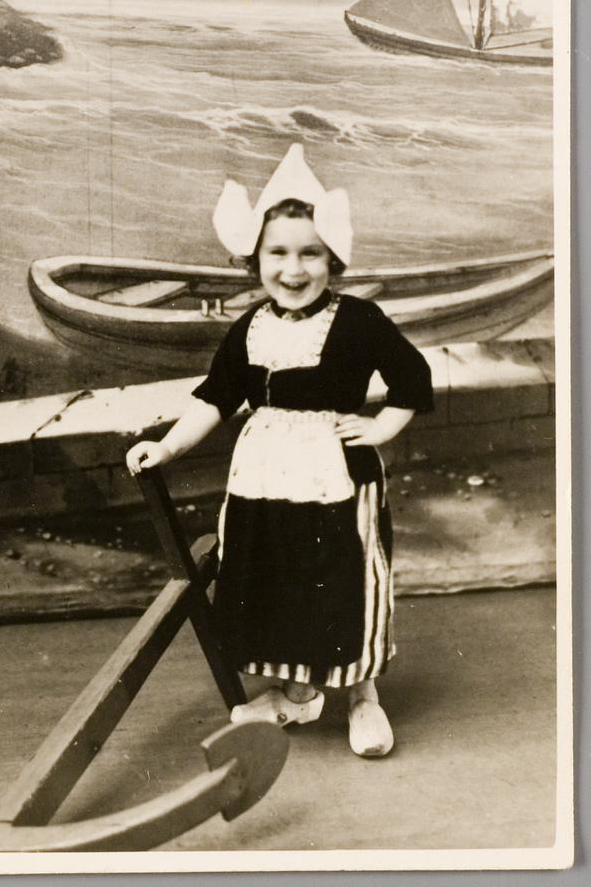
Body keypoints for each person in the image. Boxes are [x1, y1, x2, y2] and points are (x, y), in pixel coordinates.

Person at [127, 144, 433, 756]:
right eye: (279, 253)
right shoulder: (250, 328)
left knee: (343, 579)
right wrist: (168, 446)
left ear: (333, 258)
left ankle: (363, 697)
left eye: (310, 253)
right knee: (277, 580)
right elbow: (216, 397)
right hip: (264, 475)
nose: (294, 269)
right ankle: (298, 694)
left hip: (335, 477)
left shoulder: (358, 320)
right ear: (255, 259)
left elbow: (412, 379)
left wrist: (379, 428)